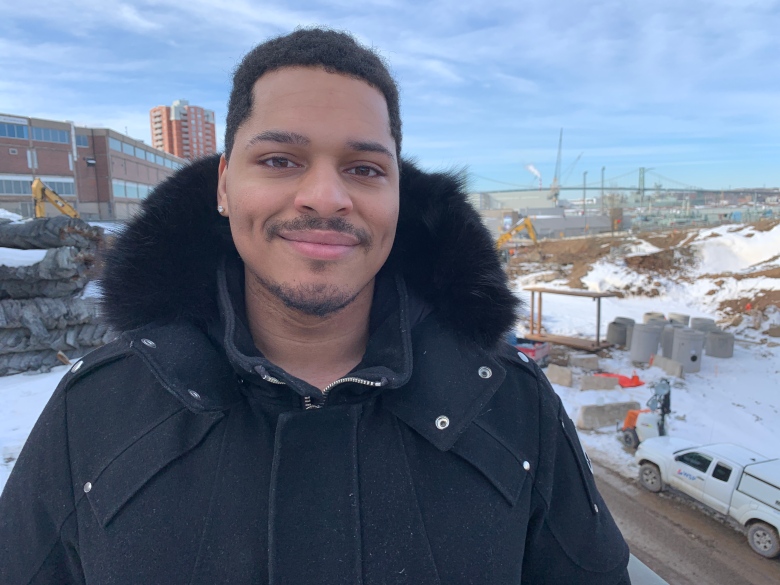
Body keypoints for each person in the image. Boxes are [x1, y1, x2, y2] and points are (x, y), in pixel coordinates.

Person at [0, 28, 631, 584]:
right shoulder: (94, 414)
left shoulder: (515, 409)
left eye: (363, 169)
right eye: (280, 160)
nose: (325, 196)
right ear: (224, 184)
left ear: (398, 196)